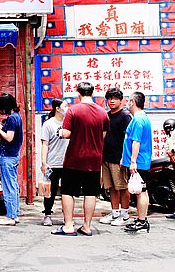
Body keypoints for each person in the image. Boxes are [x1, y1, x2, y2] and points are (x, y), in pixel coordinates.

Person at [51, 82, 109, 236]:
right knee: (90, 193)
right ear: (92, 93)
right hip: (94, 159)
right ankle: (87, 226)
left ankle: (69, 226)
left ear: (78, 93)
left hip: (75, 157)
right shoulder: (103, 112)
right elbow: (103, 136)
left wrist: (61, 131)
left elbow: (66, 134)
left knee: (68, 191)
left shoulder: (73, 111)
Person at [0, 93, 23, 226]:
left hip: (8, 156)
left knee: (8, 186)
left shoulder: (12, 118)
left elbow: (9, 137)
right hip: (12, 155)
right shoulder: (16, 117)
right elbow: (9, 133)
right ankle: (15, 213)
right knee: (13, 184)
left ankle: (11, 216)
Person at [99, 88, 132, 226]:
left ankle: (124, 215)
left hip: (119, 159)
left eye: (115, 98)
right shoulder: (106, 116)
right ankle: (114, 213)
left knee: (122, 187)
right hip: (106, 157)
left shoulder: (125, 116)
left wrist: (125, 158)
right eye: (109, 98)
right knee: (112, 187)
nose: (112, 101)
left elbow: (129, 139)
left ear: (121, 100)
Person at [122, 92, 153, 233]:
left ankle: (141, 221)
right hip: (139, 160)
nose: (127, 104)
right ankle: (142, 218)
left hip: (139, 161)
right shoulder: (141, 118)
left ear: (133, 102)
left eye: (128, 101)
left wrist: (133, 161)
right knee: (141, 191)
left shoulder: (138, 119)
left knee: (141, 191)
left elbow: (136, 141)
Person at [40, 98, 68, 227]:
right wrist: (44, 162)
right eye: (65, 106)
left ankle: (67, 216)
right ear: (58, 109)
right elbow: (45, 144)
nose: (67, 109)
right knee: (50, 191)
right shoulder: (48, 124)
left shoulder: (69, 123)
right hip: (53, 163)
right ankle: (47, 214)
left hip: (68, 163)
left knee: (68, 192)